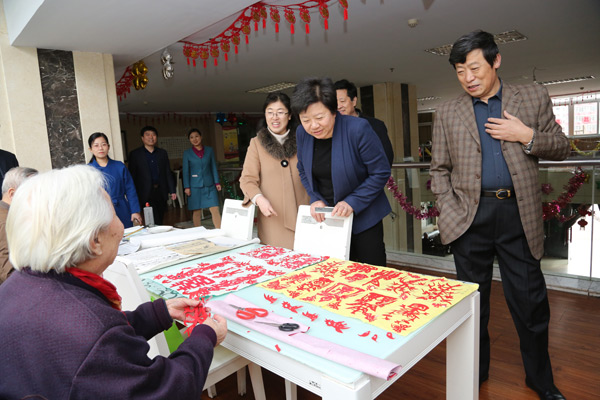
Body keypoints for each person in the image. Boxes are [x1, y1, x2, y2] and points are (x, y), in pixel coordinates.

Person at [0, 165, 227, 398]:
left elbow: (101, 338)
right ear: (94, 241)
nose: (121, 226)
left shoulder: (17, 286)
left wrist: (158, 313)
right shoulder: (91, 332)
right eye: (115, 214)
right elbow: (166, 390)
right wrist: (204, 336)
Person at [430, 30, 569, 400]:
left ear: (496, 61)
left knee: (530, 304)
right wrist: (449, 209)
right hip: (468, 218)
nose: (468, 78)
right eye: (460, 71)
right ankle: (475, 373)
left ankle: (540, 380)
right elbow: (438, 169)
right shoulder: (447, 111)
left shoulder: (532, 96)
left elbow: (561, 146)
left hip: (517, 214)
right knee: (472, 306)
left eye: (474, 68)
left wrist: (526, 135)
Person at [291, 77, 391, 266]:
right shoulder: (302, 133)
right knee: (336, 272)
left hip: (365, 216)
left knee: (371, 272)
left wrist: (352, 202)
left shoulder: (358, 129)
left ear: (334, 110)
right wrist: (315, 197)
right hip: (330, 218)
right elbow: (302, 169)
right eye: (306, 120)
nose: (313, 126)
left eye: (319, 118)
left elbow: (380, 172)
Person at [239, 92, 310, 249]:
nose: (274, 117)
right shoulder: (256, 144)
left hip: (306, 214)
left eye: (280, 112)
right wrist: (259, 199)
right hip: (273, 217)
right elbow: (247, 180)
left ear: (289, 115)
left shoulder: (304, 140)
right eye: (270, 112)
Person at [334, 79, 394, 167]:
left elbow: (386, 158)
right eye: (335, 102)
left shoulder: (375, 125)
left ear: (354, 101)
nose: (338, 106)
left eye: (342, 101)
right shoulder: (330, 128)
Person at [88, 132, 142, 228]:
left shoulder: (119, 166)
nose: (100, 148)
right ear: (90, 149)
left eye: (103, 144)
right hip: (100, 212)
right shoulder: (88, 170)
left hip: (122, 209)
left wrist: (135, 211)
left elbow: (130, 190)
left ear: (108, 147)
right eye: (96, 145)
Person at [128, 126, 177, 225]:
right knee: (150, 219)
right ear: (142, 138)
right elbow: (132, 176)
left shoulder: (162, 153)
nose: (151, 137)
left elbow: (167, 172)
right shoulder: (135, 154)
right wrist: (133, 195)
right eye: (147, 135)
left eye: (153, 135)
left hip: (160, 190)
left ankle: (157, 231)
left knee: (160, 217)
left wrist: (172, 190)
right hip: (145, 192)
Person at [0, 166, 37, 285]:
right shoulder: (6, 222)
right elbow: (8, 273)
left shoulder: (9, 215)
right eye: (33, 193)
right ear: (12, 194)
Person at [182, 128, 222, 228]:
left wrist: (217, 182)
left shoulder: (209, 150)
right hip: (194, 186)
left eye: (196, 136)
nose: (194, 139)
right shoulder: (187, 153)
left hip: (210, 185)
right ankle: (198, 232)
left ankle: (219, 231)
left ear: (201, 137)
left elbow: (213, 167)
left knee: (215, 209)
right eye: (191, 137)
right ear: (189, 140)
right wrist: (187, 187)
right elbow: (186, 171)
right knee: (197, 211)